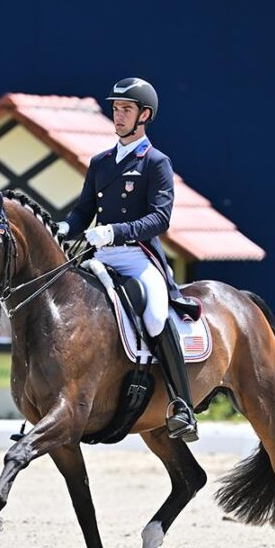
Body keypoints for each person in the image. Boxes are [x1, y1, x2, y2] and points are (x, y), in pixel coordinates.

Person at [56, 77, 198, 442]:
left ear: (144, 115)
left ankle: (182, 405)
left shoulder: (155, 162)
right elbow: (83, 211)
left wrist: (116, 231)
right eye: (116, 109)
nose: (117, 115)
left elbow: (160, 218)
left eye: (126, 110)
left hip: (138, 257)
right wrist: (61, 228)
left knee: (154, 315)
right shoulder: (101, 162)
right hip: (101, 255)